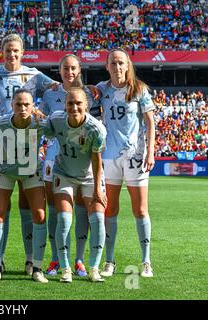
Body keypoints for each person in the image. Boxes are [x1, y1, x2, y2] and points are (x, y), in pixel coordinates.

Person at [0, 33, 56, 276]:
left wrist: (89, 88)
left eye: (16, 51)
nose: (12, 54)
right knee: (1, 209)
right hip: (2, 145)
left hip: (29, 145)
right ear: (3, 52)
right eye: (8, 50)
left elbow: (59, 87)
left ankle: (32, 261)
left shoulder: (34, 74)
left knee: (29, 206)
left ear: (22, 52)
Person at [39, 54, 101, 277]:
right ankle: (56, 260)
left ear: (80, 69)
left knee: (82, 210)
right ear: (59, 70)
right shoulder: (49, 92)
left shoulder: (91, 94)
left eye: (73, 68)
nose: (69, 72)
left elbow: (94, 126)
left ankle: (80, 260)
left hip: (82, 160)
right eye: (65, 68)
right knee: (56, 210)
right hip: (53, 157)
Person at [97, 48, 155, 278]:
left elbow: (150, 123)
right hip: (110, 157)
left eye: (121, 63)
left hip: (136, 158)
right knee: (110, 210)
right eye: (113, 63)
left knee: (140, 210)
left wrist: (151, 152)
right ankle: (109, 261)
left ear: (128, 65)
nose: (117, 67)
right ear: (107, 66)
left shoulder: (140, 90)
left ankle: (146, 261)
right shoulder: (101, 89)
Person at [47, 87, 107, 283]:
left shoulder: (96, 128)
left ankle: (94, 268)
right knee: (64, 220)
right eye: (70, 103)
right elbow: (43, 130)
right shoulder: (56, 119)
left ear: (86, 105)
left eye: (78, 103)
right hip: (64, 174)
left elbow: (97, 160)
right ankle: (65, 268)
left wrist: (98, 188)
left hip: (90, 177)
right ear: (64, 105)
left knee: (97, 218)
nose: (74, 107)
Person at [0, 89, 48, 284]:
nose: (22, 108)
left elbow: (60, 126)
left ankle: (35, 265)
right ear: (12, 106)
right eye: (18, 104)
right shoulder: (0, 123)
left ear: (33, 107)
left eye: (26, 105)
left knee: (39, 215)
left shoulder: (40, 123)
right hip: (5, 170)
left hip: (30, 171)